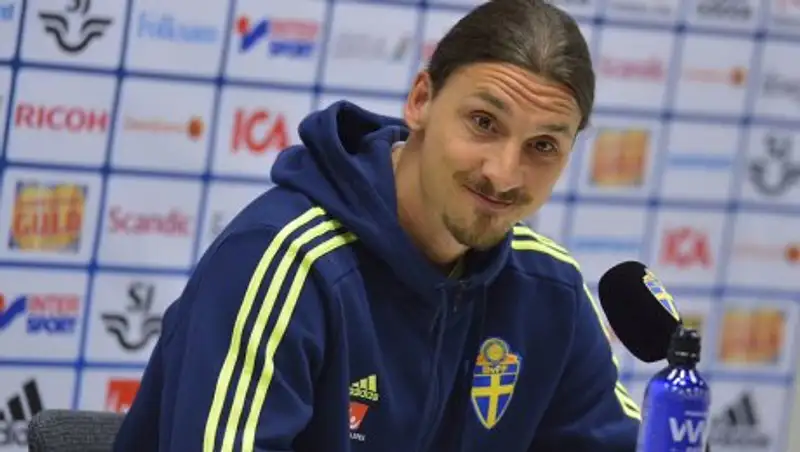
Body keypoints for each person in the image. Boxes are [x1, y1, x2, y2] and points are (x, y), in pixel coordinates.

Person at [114, 0, 641, 450]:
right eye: (483, 123)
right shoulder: (283, 261)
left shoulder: (550, 288)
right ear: (421, 101)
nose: (503, 173)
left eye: (542, 146)